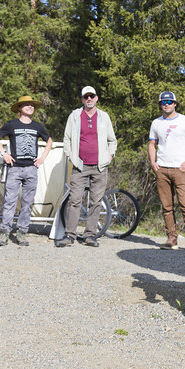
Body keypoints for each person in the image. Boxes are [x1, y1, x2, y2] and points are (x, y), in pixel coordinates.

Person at [0, 95, 53, 247]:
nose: (30, 107)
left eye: (32, 105)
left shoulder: (37, 126)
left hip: (31, 169)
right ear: (19, 108)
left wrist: (43, 157)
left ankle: (22, 232)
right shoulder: (12, 124)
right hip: (14, 168)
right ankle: (4, 232)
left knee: (27, 202)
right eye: (26, 105)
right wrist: (3, 153)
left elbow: (49, 141)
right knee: (9, 201)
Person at [58, 85, 117, 248]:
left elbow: (112, 140)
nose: (89, 99)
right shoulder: (75, 116)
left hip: (100, 166)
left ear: (97, 98)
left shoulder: (104, 117)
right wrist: (71, 156)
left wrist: (110, 156)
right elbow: (67, 138)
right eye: (86, 97)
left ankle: (90, 235)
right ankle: (70, 235)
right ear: (82, 99)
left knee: (96, 201)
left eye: (92, 96)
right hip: (80, 165)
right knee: (74, 200)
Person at [147, 90, 185, 252]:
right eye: (163, 102)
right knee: (166, 206)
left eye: (170, 102)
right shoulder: (156, 123)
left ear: (175, 104)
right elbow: (151, 144)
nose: (167, 104)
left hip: (180, 169)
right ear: (160, 105)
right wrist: (153, 163)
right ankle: (172, 238)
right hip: (162, 169)